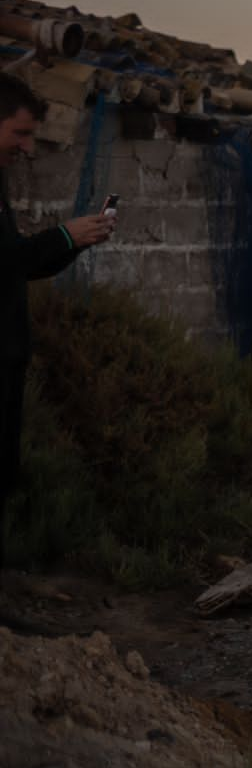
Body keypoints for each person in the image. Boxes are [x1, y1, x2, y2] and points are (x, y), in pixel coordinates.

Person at [1, 76, 116, 582]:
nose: (27, 148)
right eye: (20, 134)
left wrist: (74, 241)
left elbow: (19, 267)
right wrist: (64, 235)